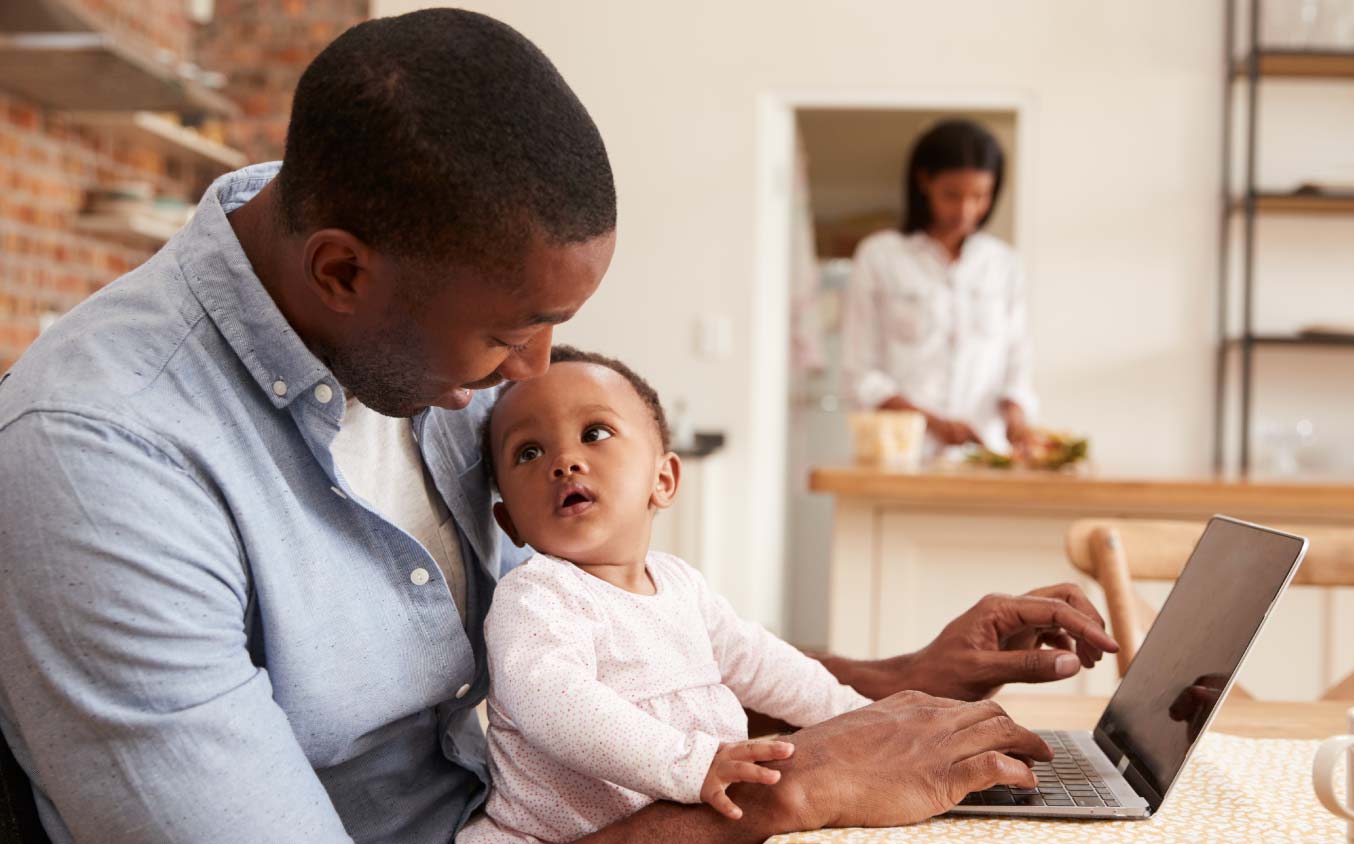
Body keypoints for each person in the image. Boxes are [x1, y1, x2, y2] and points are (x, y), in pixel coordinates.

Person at [0, 9, 1116, 843]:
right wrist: (796, 790)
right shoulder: (98, 461)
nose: (530, 380)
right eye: (513, 335)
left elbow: (637, 663)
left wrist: (905, 676)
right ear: (340, 271)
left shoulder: (415, 303)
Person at [464, 346, 902, 842]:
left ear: (664, 479)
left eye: (595, 434)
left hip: (685, 824)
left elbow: (764, 663)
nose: (564, 462)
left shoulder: (681, 585)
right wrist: (690, 764)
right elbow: (556, 705)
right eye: (529, 452)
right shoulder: (536, 596)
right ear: (509, 523)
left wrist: (861, 718)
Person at [842, 119, 1039, 456]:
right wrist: (931, 423)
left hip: (986, 457)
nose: (966, 210)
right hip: (902, 455)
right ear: (923, 182)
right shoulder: (880, 256)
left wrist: (1016, 417)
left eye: (980, 196)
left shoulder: (1004, 265)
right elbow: (860, 373)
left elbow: (1017, 361)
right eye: (952, 195)